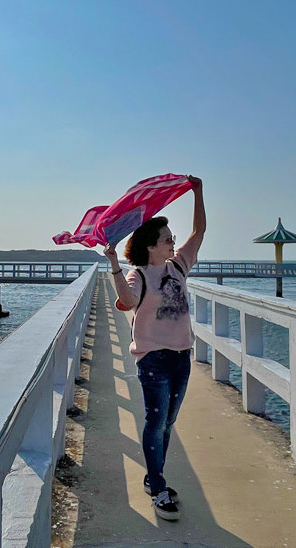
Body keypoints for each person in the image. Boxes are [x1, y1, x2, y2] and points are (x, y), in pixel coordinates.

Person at [103, 175, 205, 521]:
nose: (173, 243)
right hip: (153, 360)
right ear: (151, 246)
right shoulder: (139, 275)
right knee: (156, 420)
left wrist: (198, 192)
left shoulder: (179, 266)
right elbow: (127, 300)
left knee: (168, 422)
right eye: (166, 240)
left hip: (182, 356)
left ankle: (153, 477)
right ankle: (159, 488)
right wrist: (115, 264)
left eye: (173, 239)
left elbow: (199, 233)